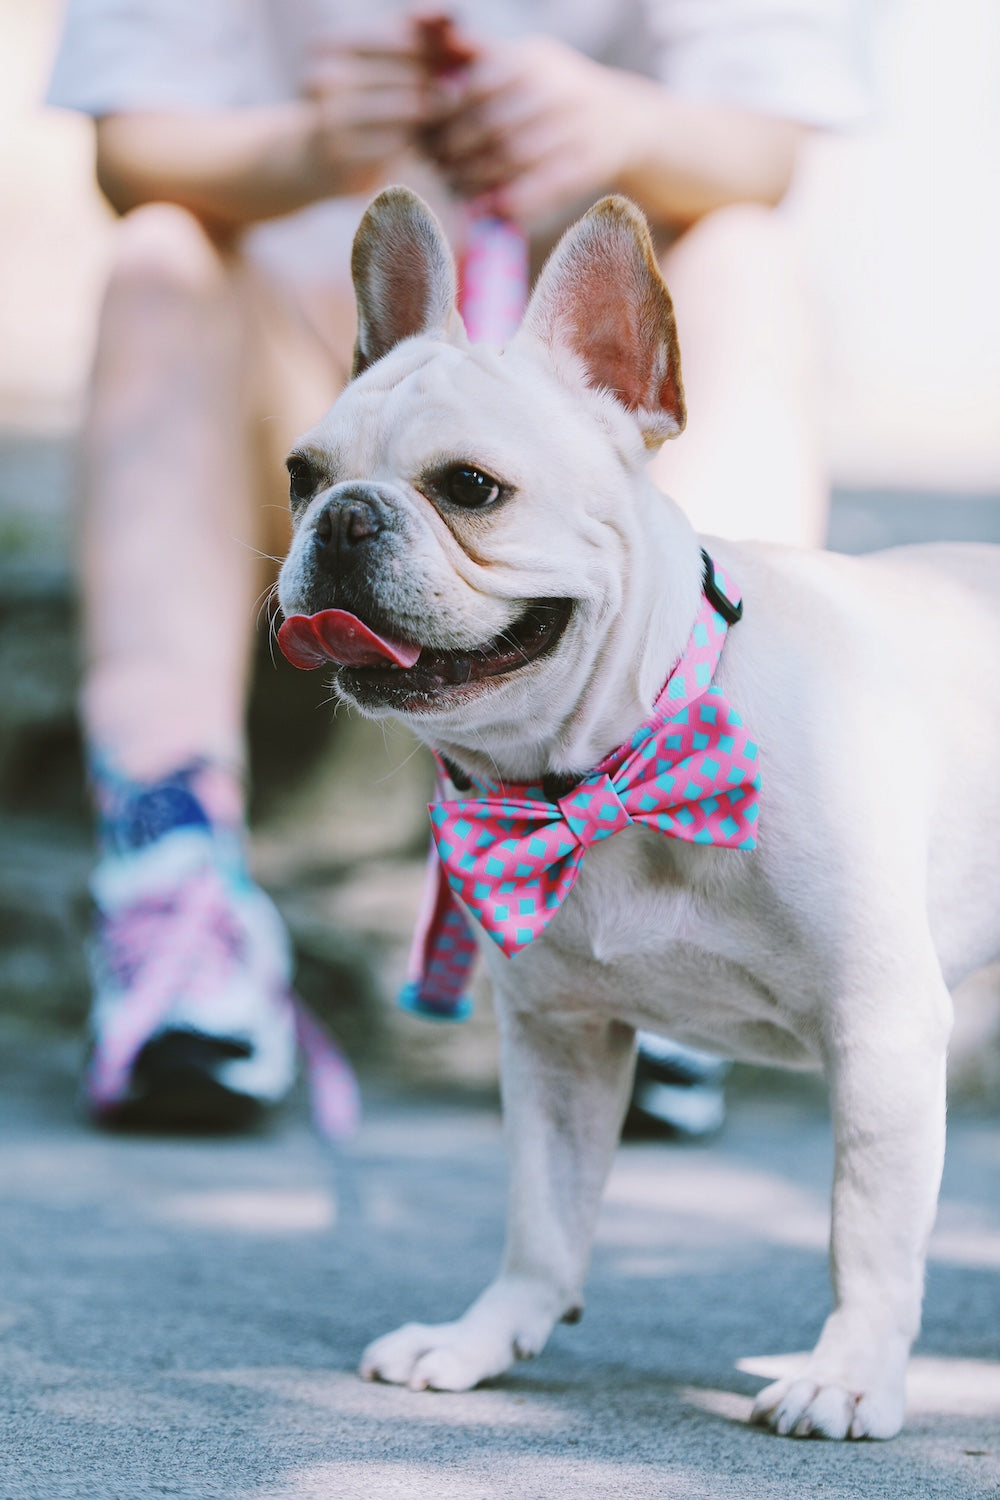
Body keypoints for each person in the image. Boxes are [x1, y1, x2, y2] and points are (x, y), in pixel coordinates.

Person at [47, 1, 869, 1130]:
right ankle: (168, 863)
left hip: (580, 427)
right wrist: (307, 151)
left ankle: (687, 859)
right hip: (314, 369)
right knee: (160, 257)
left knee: (747, 252)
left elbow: (765, 149)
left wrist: (625, 126)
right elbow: (130, 149)